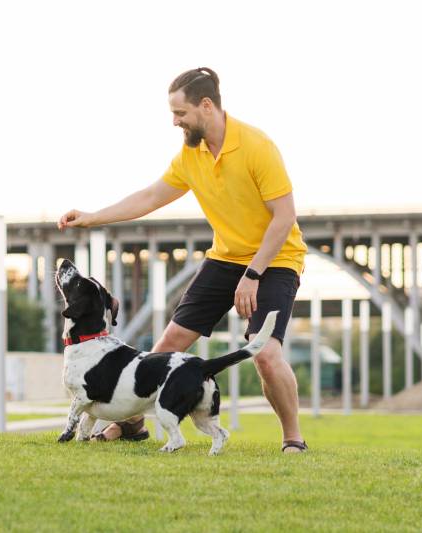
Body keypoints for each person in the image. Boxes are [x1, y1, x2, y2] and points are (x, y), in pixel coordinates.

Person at [57, 67, 308, 453]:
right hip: (224, 258)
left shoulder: (258, 147)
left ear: (206, 106)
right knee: (171, 340)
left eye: (180, 113)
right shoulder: (192, 154)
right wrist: (92, 216)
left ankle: (293, 439)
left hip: (275, 259)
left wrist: (254, 274)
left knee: (267, 354)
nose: (175, 122)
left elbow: (285, 217)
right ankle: (131, 423)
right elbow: (150, 197)